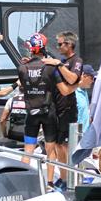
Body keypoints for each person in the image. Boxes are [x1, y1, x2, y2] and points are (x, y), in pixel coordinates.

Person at [17, 32, 70, 189]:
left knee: (28, 150)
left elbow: (22, 85)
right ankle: (49, 183)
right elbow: (63, 90)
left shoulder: (22, 68)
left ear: (31, 49)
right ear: (43, 48)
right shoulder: (50, 68)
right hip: (48, 113)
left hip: (31, 113)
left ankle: (22, 183)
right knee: (50, 149)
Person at [42, 31, 83, 188]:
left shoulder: (76, 61)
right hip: (56, 109)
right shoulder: (63, 61)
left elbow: (73, 78)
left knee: (65, 146)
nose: (58, 46)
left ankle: (69, 180)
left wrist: (58, 64)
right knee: (58, 146)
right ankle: (64, 179)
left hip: (68, 109)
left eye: (60, 44)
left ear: (69, 44)